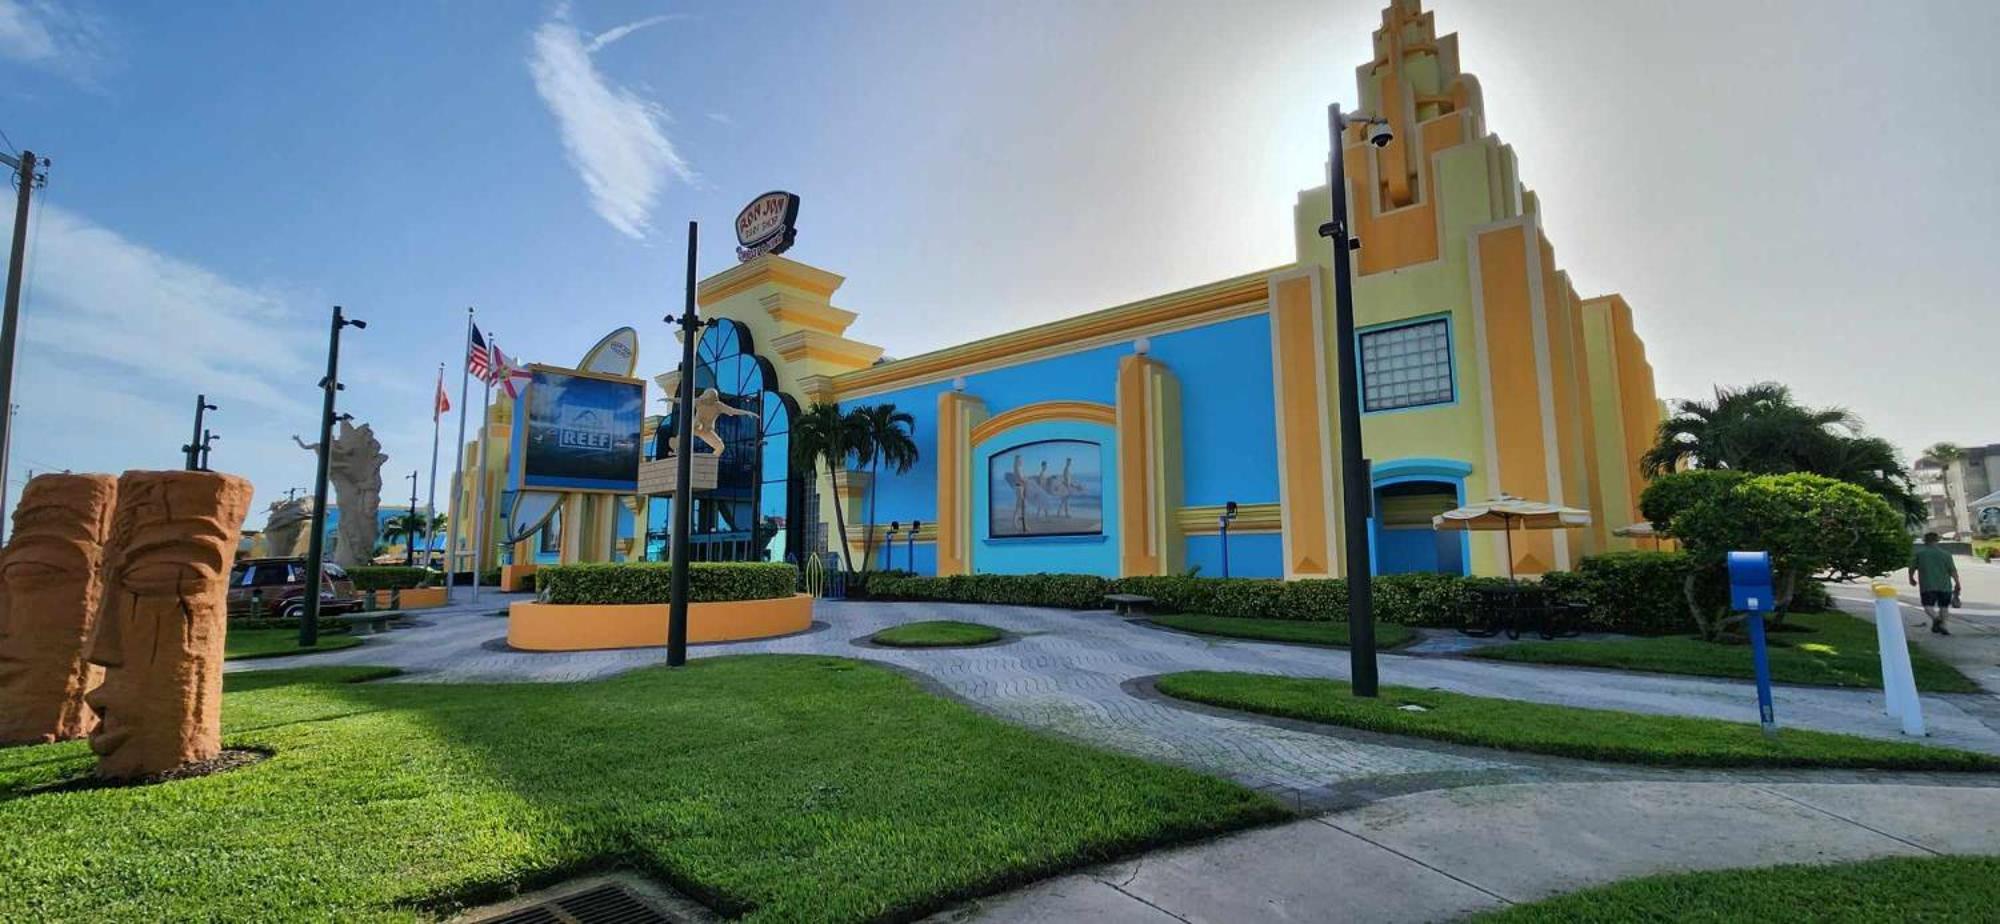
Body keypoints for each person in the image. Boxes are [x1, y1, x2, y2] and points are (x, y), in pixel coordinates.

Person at [1908, 532, 1964, 635]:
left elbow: (1912, 568)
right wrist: (1957, 583)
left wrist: (1911, 578)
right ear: (1937, 540)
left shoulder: (1920, 554)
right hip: (1945, 585)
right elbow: (1952, 570)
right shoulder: (1946, 554)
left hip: (1927, 585)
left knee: (1927, 606)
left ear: (1925, 541)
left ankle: (1936, 619)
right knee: (1944, 606)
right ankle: (1944, 625)